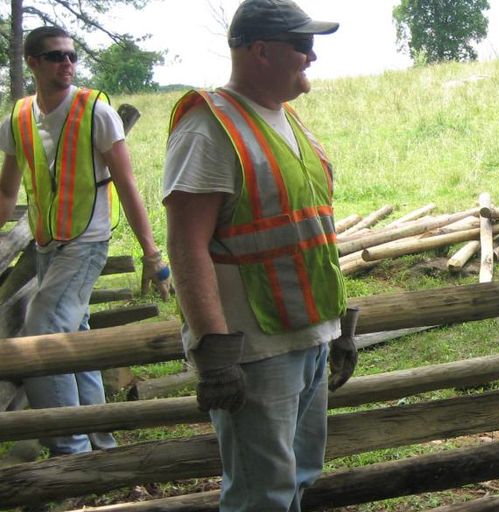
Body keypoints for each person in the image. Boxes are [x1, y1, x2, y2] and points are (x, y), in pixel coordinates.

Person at [162, 0, 358, 509]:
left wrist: (338, 328)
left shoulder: (287, 121)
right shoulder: (209, 128)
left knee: (298, 478)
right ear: (261, 51)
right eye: (302, 45)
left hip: (307, 335)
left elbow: (309, 237)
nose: (312, 57)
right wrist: (215, 355)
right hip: (254, 352)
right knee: (261, 493)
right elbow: (186, 246)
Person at [0, 26, 171, 456]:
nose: (68, 64)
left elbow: (128, 185)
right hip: (44, 244)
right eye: (56, 56)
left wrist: (152, 252)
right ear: (32, 62)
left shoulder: (95, 111)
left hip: (86, 242)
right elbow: (6, 191)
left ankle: (69, 449)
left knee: (42, 330)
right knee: (76, 334)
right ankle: (100, 436)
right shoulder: (18, 119)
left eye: (72, 56)